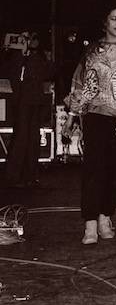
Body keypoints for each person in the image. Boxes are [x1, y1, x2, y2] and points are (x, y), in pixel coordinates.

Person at [62, 5, 116, 245]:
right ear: (105, 22)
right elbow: (79, 83)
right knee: (93, 170)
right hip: (95, 116)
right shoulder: (91, 50)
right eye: (113, 19)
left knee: (115, 171)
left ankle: (104, 217)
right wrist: (71, 116)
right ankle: (89, 223)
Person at [4, 32, 55, 188]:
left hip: (34, 102)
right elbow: (14, 74)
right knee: (20, 139)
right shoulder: (16, 57)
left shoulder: (37, 58)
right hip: (22, 102)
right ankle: (13, 177)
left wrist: (46, 58)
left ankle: (30, 176)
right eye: (28, 39)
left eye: (33, 39)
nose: (32, 42)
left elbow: (49, 73)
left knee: (32, 140)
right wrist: (22, 53)